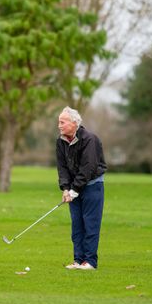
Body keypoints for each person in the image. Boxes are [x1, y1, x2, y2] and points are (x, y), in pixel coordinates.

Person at [56, 106, 107, 271]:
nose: (59, 125)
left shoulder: (89, 139)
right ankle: (78, 260)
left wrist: (74, 190)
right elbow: (62, 167)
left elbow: (88, 167)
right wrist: (65, 188)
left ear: (74, 123)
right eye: (59, 122)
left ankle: (90, 262)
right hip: (73, 189)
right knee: (77, 226)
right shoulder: (61, 141)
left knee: (90, 224)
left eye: (62, 122)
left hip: (93, 186)